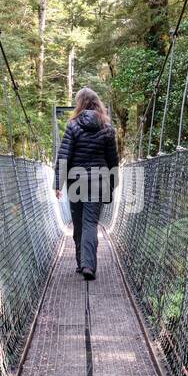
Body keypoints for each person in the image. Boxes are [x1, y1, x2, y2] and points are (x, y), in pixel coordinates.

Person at [53, 87, 118, 280]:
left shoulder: (72, 126)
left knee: (79, 224)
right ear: (98, 103)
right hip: (98, 182)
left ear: (79, 103)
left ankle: (82, 263)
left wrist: (58, 183)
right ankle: (88, 265)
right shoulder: (107, 129)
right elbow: (113, 160)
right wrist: (112, 184)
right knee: (90, 223)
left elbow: (64, 155)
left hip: (76, 182)